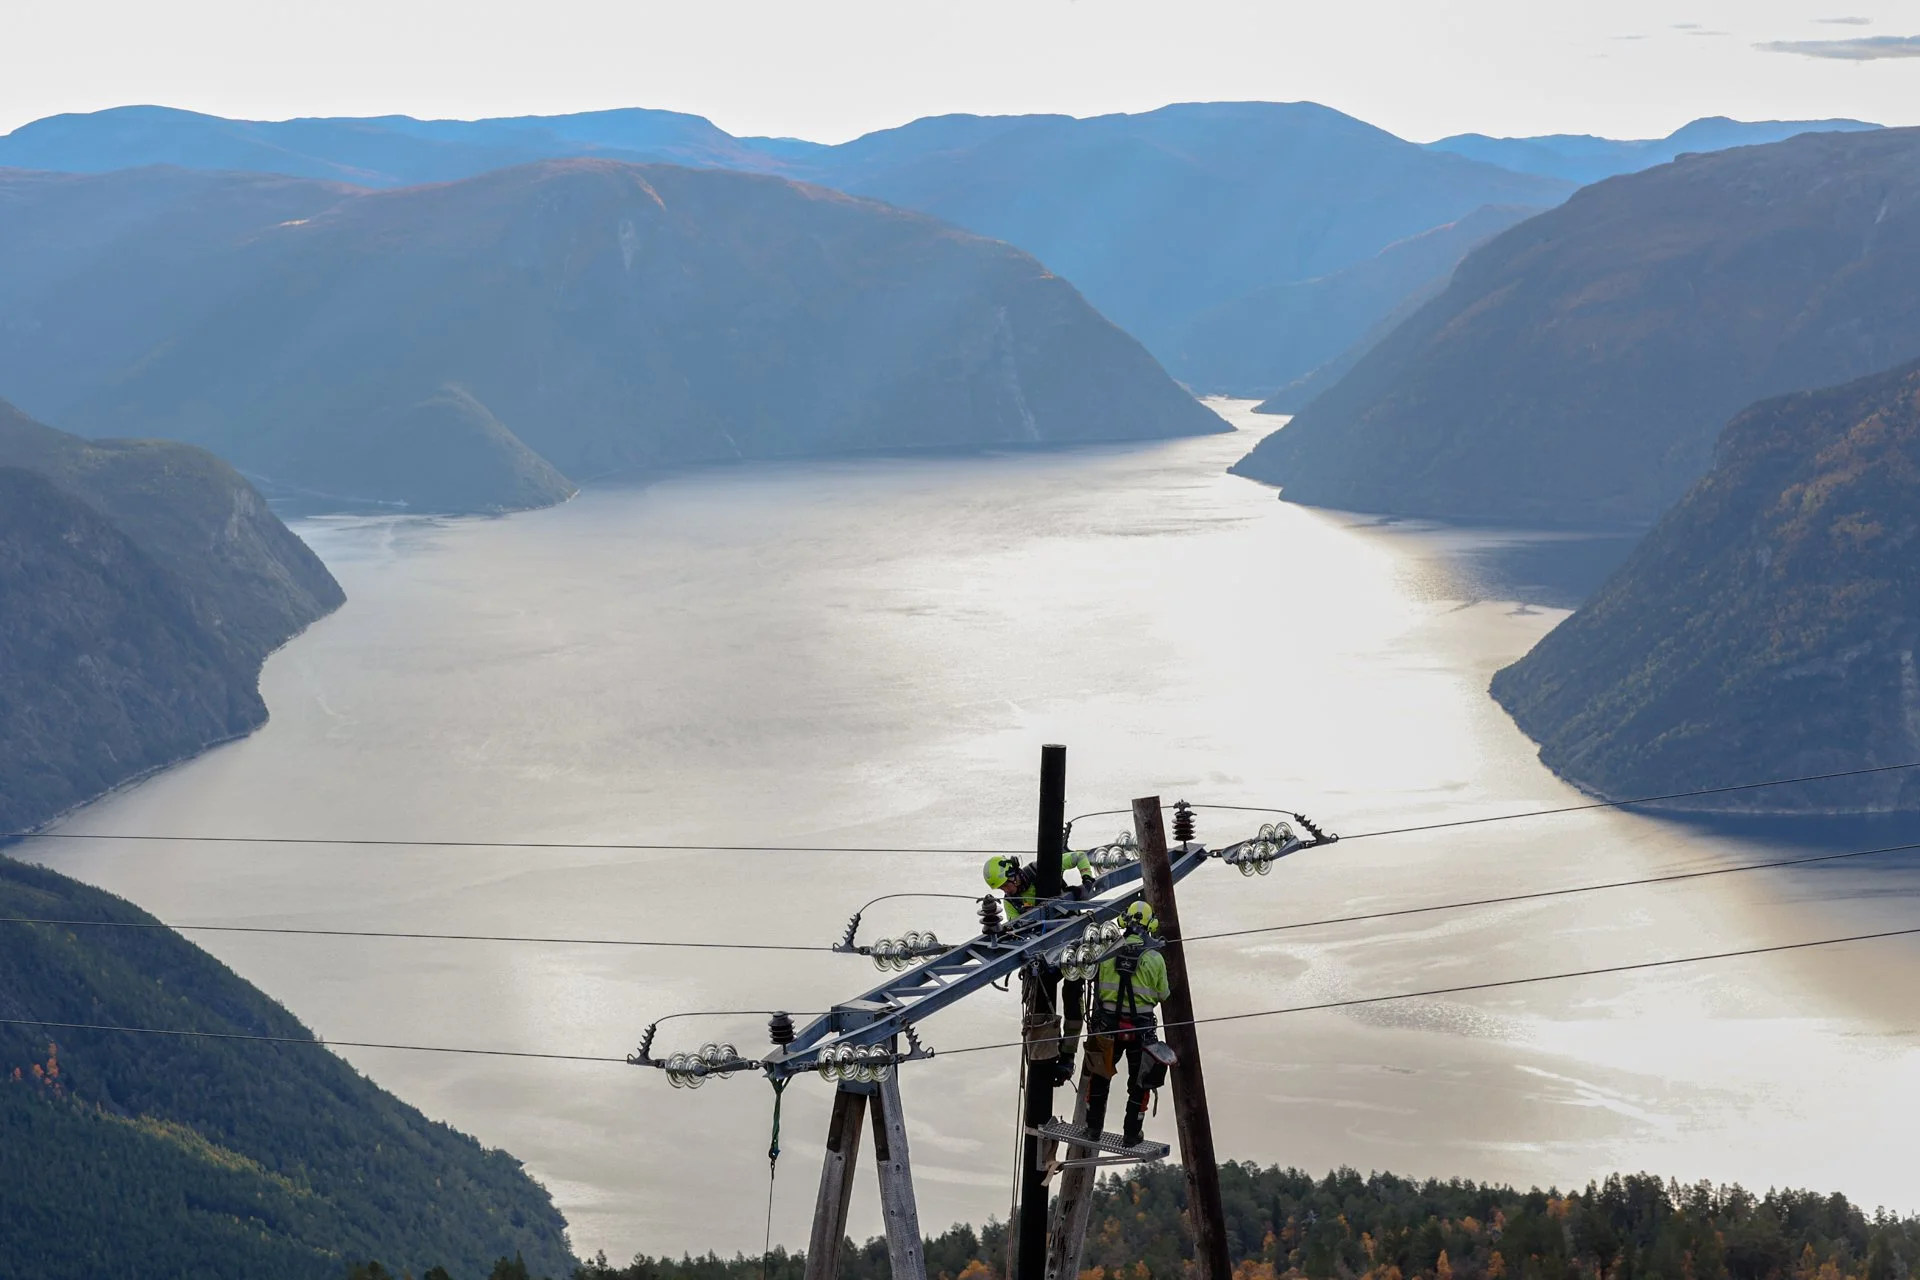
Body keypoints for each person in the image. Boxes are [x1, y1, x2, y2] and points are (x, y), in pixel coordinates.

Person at [984, 849, 1096, 1085]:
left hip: (1073, 946)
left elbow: (1078, 858)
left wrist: (1087, 881)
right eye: (1001, 889)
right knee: (1039, 1001)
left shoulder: (1041, 870)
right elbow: (1019, 928)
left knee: (1073, 1001)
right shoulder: (1012, 901)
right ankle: (1044, 1055)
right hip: (1047, 954)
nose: (1006, 891)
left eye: (1006, 885)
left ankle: (1067, 1056)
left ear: (1013, 873)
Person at [1082, 900, 1173, 1148]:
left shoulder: (1106, 953)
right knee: (1140, 1083)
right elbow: (1163, 995)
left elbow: (1097, 988)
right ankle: (1131, 1135)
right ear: (1151, 924)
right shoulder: (1155, 958)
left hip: (1107, 1028)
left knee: (1099, 1078)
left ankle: (1092, 1129)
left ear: (1124, 922)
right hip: (1140, 1033)